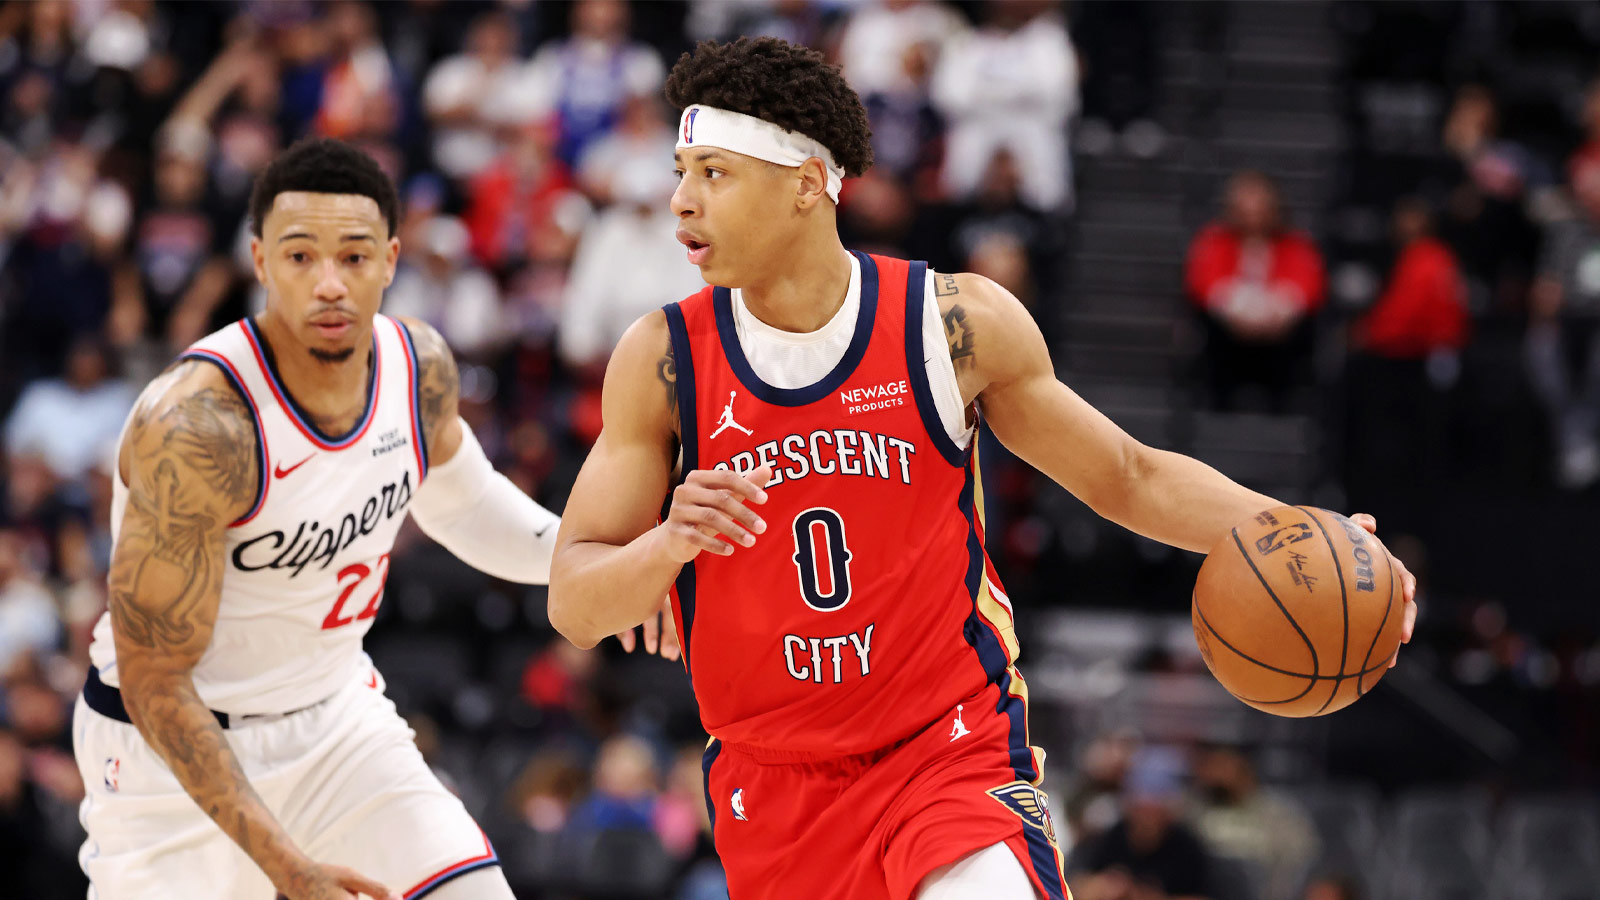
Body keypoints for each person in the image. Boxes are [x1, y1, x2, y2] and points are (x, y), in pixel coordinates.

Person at [549, 37, 1418, 900]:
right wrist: (666, 545)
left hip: (946, 749)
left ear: (807, 184)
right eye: (681, 170)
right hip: (772, 784)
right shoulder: (663, 359)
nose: (679, 201)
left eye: (713, 173)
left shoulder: (951, 325)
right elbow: (575, 603)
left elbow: (1129, 476)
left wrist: (1304, 535)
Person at [71, 138, 564, 900]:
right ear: (261, 261)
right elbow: (156, 679)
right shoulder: (200, 427)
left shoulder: (418, 366)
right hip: (171, 759)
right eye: (301, 258)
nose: (329, 284)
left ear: (392, 260)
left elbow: (467, 507)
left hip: (337, 725)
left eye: (354, 258)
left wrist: (614, 561)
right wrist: (289, 871)